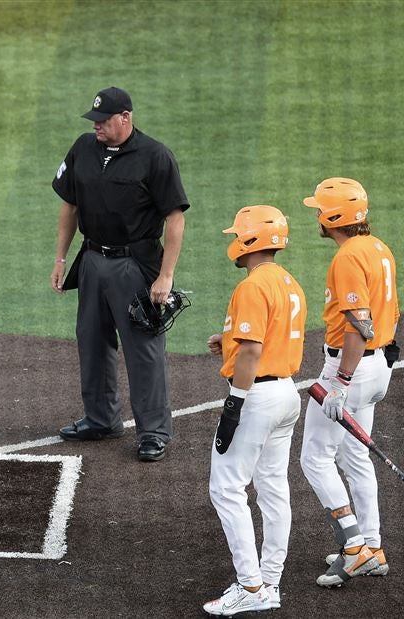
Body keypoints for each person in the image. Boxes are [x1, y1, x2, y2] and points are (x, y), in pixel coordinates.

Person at [50, 86, 189, 462]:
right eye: (93, 120)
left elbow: (176, 218)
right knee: (91, 341)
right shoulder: (83, 148)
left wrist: (166, 276)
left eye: (103, 120)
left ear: (125, 118)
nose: (96, 126)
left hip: (135, 264)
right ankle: (100, 419)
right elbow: (69, 206)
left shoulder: (155, 156)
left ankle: (153, 433)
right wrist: (62, 258)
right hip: (93, 259)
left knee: (143, 349)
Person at [202, 205, 305, 616]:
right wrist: (226, 341)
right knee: (273, 487)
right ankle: (270, 582)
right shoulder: (288, 282)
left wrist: (234, 403)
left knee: (226, 488)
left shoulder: (252, 287)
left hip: (257, 398)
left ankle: (250, 585)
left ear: (249, 241)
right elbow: (260, 338)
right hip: (286, 395)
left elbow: (252, 349)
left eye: (237, 235)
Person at [299, 177, 399, 587]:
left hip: (351, 369)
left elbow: (360, 324)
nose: (316, 216)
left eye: (320, 209)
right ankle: (372, 547)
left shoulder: (347, 258)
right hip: (378, 368)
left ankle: (355, 549)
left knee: (314, 458)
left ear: (332, 217)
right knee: (355, 458)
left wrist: (341, 381)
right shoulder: (377, 248)